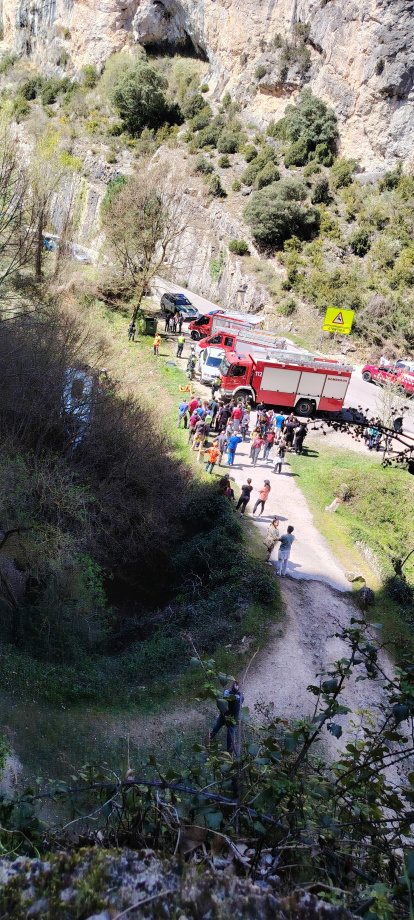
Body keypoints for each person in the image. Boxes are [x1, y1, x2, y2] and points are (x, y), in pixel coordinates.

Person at [209, 681, 244, 754]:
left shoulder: (240, 697)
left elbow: (238, 700)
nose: (236, 687)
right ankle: (211, 736)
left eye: (237, 686)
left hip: (232, 717)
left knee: (230, 731)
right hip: (225, 714)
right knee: (218, 726)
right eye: (235, 686)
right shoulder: (228, 692)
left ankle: (229, 747)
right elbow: (226, 697)